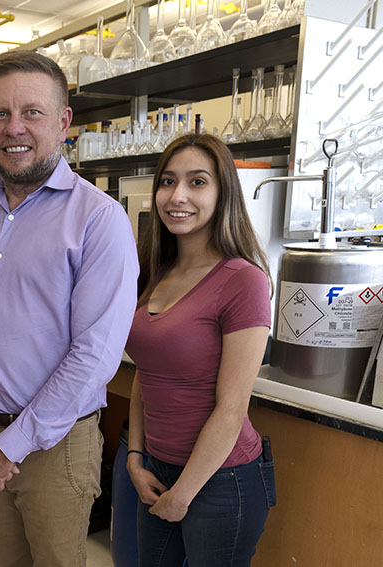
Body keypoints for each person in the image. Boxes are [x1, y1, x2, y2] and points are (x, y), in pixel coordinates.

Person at [0, 50, 139, 567]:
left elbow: (94, 353)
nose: (13, 127)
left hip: (57, 445)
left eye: (32, 112)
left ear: (64, 122)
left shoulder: (99, 219)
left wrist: (8, 447)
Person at [124, 133, 277, 567]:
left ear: (222, 192)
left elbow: (232, 409)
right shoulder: (156, 271)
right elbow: (145, 374)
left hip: (221, 479)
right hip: (156, 469)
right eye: (168, 181)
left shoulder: (243, 280)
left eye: (197, 182)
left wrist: (184, 494)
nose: (177, 196)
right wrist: (136, 458)